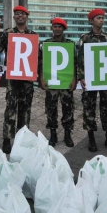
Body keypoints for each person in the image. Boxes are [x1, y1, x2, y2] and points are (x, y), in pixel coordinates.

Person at [0, 6, 38, 154]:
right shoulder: (8, 34)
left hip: (27, 79)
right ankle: (7, 139)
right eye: (17, 14)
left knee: (25, 110)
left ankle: (22, 139)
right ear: (14, 17)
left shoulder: (32, 35)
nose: (19, 16)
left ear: (26, 17)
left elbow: (37, 56)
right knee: (10, 108)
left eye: (22, 14)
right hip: (12, 77)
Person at [78, 9, 107, 153]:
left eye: (102, 18)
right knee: (89, 108)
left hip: (106, 78)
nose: (101, 20)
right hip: (90, 78)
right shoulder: (85, 38)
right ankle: (91, 138)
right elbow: (80, 59)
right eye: (98, 18)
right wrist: (81, 77)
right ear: (91, 21)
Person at [39, 17, 76, 147]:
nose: (57, 29)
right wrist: (41, 79)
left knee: (68, 108)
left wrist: (74, 79)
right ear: (52, 28)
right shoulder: (46, 44)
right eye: (55, 26)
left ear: (64, 29)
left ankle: (67, 134)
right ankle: (53, 133)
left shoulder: (70, 44)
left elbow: (74, 63)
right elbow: (41, 63)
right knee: (51, 108)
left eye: (60, 27)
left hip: (66, 82)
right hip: (51, 81)